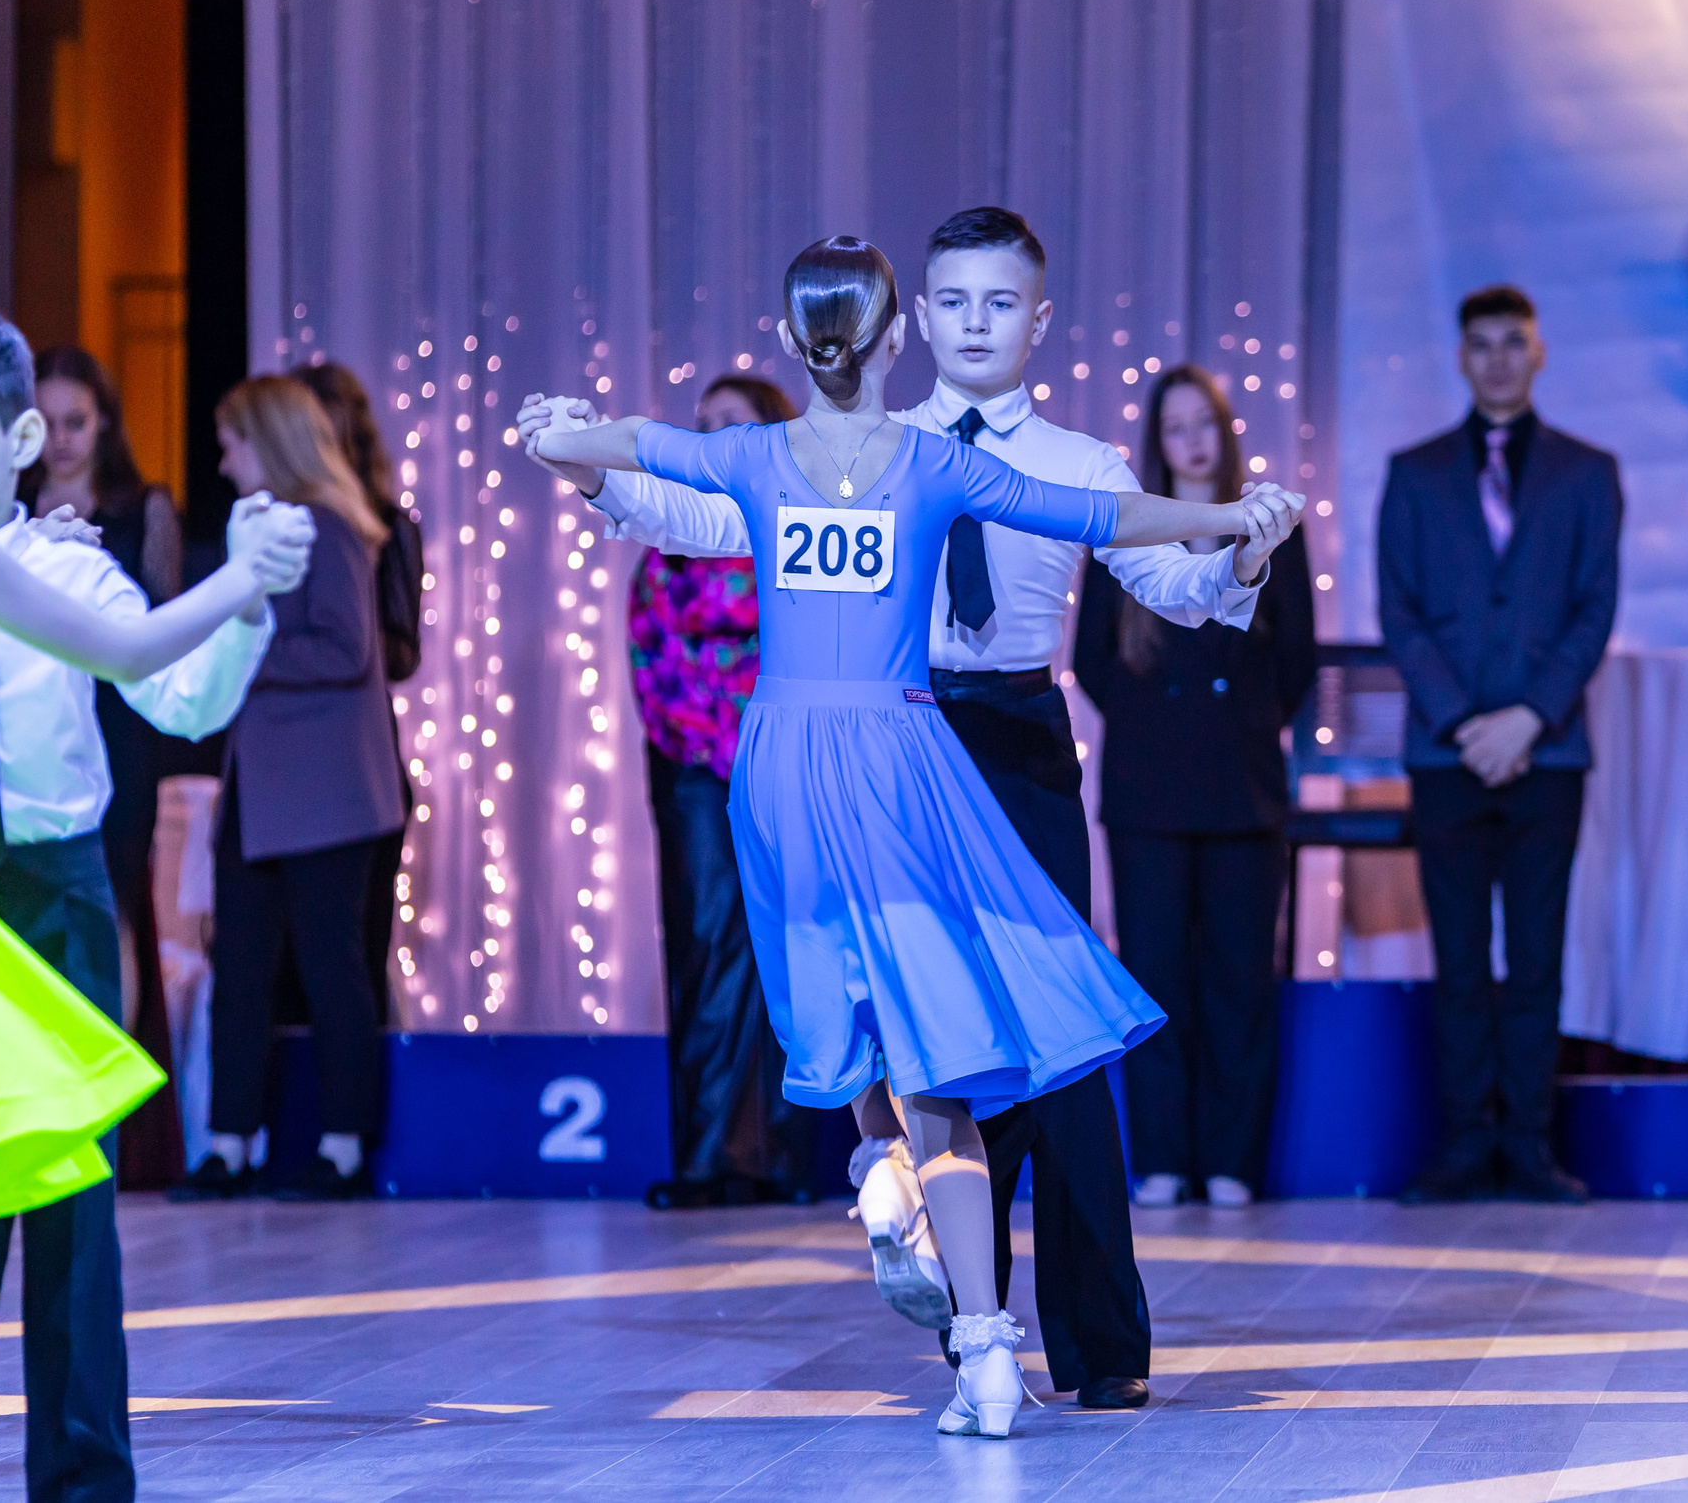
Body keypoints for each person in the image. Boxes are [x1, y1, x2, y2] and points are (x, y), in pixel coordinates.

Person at [525, 233, 1301, 1438]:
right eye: (952, 300)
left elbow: (1158, 571)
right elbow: (696, 508)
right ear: (911, 326)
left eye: (999, 301)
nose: (975, 321)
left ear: (1037, 318)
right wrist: (591, 468)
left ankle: (1058, 1315)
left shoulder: (1015, 455)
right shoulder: (911, 459)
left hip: (959, 750)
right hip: (905, 741)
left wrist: (1234, 552)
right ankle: (969, 1330)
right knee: (933, 1043)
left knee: (1010, 1038)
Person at [0, 308, 276, 1503]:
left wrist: (244, 605)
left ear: (23, 440)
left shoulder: (70, 569)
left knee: (74, 1218)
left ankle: (83, 1483)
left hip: (57, 899)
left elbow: (181, 699)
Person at [1377, 285, 1622, 1206]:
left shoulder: (1588, 471)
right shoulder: (1414, 471)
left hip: (1547, 754)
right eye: (1481, 344)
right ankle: (1463, 1144)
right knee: (1460, 960)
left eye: (1512, 342)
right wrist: (1461, 722)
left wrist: (1528, 717)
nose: (1497, 358)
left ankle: (1529, 1146)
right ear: (1461, 357)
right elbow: (1400, 611)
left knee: (1536, 958)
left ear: (1538, 351)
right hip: (1447, 754)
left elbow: (1594, 607)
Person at [1072, 365, 1315, 1208]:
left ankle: (1233, 1160)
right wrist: (1158, 729)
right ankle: (1164, 1157)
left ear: (1225, 429)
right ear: (1157, 442)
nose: (1192, 441)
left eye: (1203, 422)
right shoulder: (1129, 529)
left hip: (1244, 786)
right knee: (1155, 976)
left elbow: (1297, 661)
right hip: (1148, 790)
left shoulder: (1271, 525)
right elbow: (1092, 660)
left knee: (1240, 978)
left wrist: (1239, 723)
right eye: (1175, 427)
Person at [177, 377, 406, 1205]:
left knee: (329, 966)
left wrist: (235, 655)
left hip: (327, 794)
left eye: (232, 442)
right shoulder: (268, 529)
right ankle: (229, 1142)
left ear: (268, 442)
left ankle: (342, 1146)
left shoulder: (329, 528)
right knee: (238, 968)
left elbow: (346, 648)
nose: (222, 460)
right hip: (263, 788)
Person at [627, 373, 817, 1209]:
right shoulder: (670, 536)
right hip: (698, 770)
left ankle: (781, 1156)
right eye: (701, 423)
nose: (709, 435)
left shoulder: (800, 526)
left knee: (792, 949)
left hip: (787, 761)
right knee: (709, 945)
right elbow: (652, 659)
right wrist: (715, 743)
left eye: (730, 421)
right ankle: (707, 1157)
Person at [18, 349, 187, 1181]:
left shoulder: (140, 507)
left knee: (112, 904)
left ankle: (105, 1111)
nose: (61, 439)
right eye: (46, 422)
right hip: (28, 729)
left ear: (103, 424)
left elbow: (159, 629)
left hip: (116, 729)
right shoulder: (8, 509)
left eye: (76, 421)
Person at [292, 362, 425, 1029]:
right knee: (285, 963)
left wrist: (345, 604)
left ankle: (353, 1093)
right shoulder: (278, 525)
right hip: (287, 760)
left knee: (354, 956)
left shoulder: (387, 527)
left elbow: (402, 654)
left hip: (358, 761)